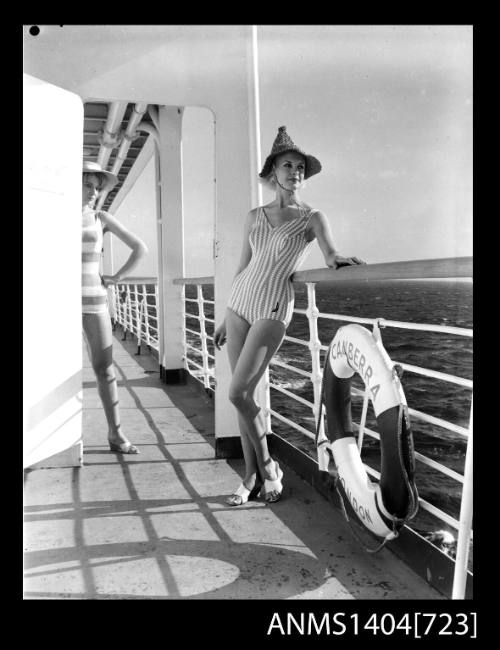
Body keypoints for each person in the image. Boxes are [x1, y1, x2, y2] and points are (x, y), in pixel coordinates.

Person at [214, 126, 364, 505]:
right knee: (242, 396)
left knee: (236, 392)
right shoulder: (253, 216)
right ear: (273, 172)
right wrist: (222, 316)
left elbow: (330, 254)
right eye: (287, 165)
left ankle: (268, 468)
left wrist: (338, 261)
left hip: (273, 306)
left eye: (299, 166)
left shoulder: (312, 217)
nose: (294, 171)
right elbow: (242, 266)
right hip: (239, 304)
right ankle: (251, 476)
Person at [82, 160, 148, 454]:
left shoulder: (100, 217)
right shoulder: (50, 216)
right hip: (56, 304)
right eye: (87, 184)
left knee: (104, 368)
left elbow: (140, 248)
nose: (93, 192)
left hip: (94, 298)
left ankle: (116, 434)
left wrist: (117, 277)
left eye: (96, 187)